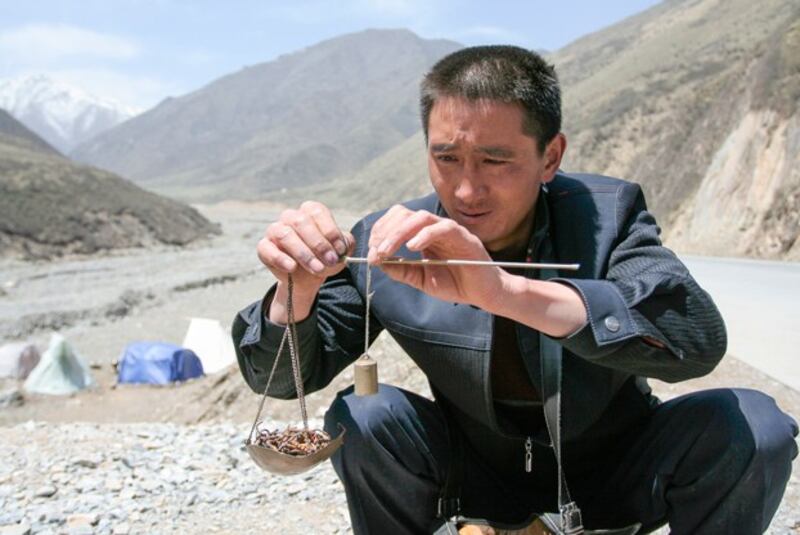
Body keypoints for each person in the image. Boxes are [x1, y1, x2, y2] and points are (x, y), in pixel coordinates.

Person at [233, 46, 797, 534]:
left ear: (550, 156)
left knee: (752, 425)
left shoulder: (610, 215)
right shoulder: (388, 240)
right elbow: (280, 381)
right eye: (445, 157)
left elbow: (693, 338)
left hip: (616, 469)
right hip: (470, 472)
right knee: (365, 413)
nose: (466, 188)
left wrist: (501, 291)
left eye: (495, 160)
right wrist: (294, 291)